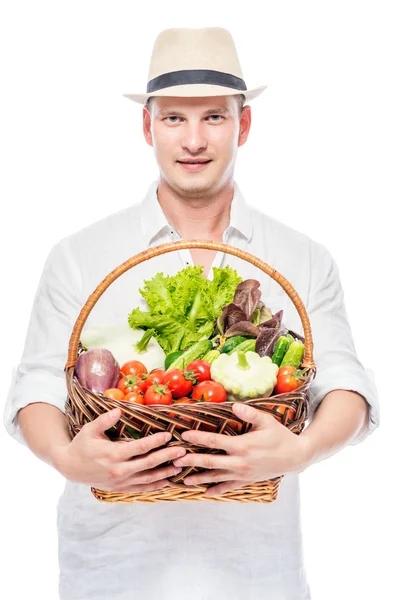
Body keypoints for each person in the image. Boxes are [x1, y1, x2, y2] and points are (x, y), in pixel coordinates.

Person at [4, 27, 380, 600]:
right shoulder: (80, 255)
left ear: (244, 125)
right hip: (110, 573)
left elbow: (346, 386)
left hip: (258, 577)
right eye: (175, 118)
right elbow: (35, 384)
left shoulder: (302, 257)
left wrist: (302, 450)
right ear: (148, 126)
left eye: (215, 117)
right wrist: (64, 455)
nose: (194, 141)